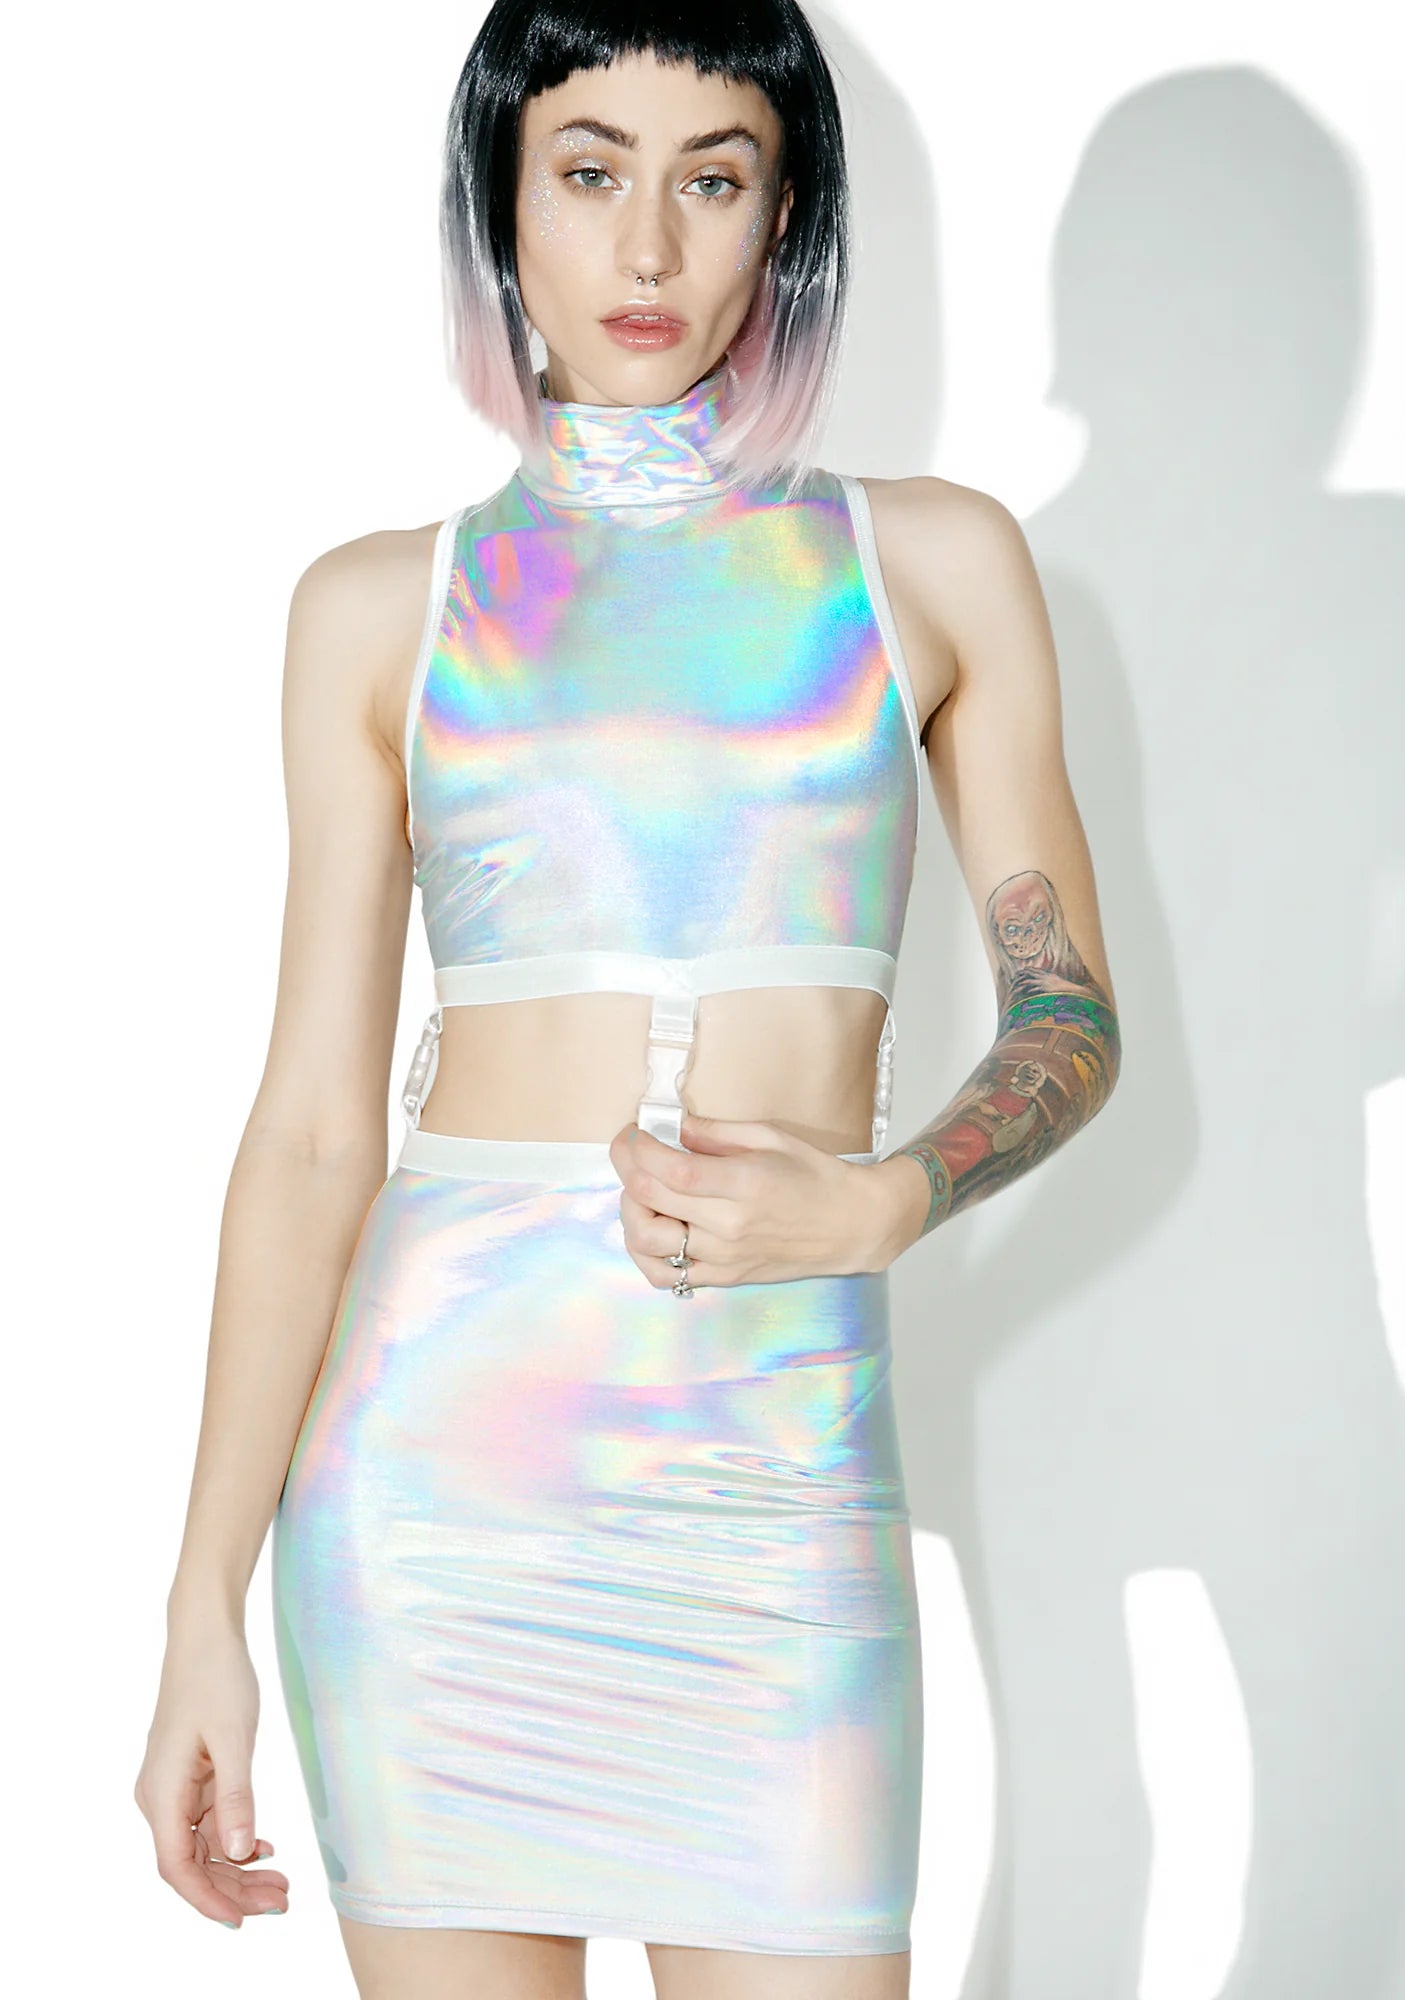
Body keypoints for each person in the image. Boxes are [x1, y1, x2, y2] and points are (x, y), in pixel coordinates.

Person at [133, 4, 1122, 1996]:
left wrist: (883, 1198)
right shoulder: (378, 606)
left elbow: (1068, 1018)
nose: (648, 248)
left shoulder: (928, 563)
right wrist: (198, 1610)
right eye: (588, 173)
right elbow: (312, 1133)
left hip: (775, 1471)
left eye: (712, 179)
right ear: (500, 206)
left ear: (788, 217)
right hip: (433, 1497)